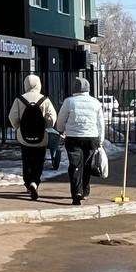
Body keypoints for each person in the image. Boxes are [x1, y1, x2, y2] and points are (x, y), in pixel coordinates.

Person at [7, 74, 57, 200]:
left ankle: (28, 182)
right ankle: (35, 181)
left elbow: (12, 117)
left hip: (24, 136)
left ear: (25, 84)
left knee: (27, 160)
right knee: (39, 161)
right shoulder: (44, 99)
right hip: (41, 136)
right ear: (39, 84)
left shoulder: (19, 99)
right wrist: (45, 125)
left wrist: (18, 127)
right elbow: (52, 118)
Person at [57, 76, 105, 205]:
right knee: (87, 164)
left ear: (75, 89)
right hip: (92, 137)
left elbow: (61, 119)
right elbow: (100, 123)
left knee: (75, 165)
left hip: (73, 138)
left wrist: (60, 130)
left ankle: (76, 193)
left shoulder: (69, 102)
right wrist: (100, 140)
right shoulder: (96, 102)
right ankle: (85, 190)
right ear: (88, 89)